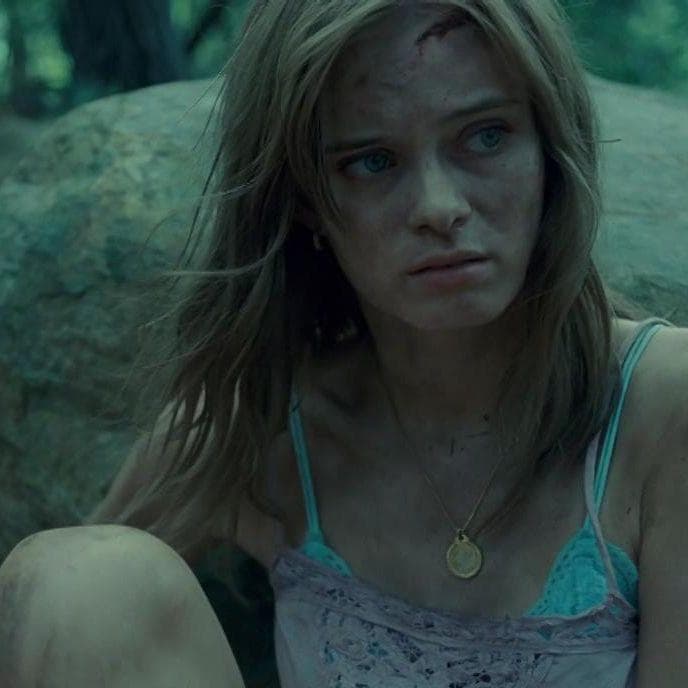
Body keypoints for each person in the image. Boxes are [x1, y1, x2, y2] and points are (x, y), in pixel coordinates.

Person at [1, 1, 687, 686]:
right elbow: (56, 627)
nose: (439, 207)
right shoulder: (266, 425)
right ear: (306, 198)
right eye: (374, 162)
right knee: (77, 581)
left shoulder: (661, 408)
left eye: (485, 137)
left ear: (550, 150)